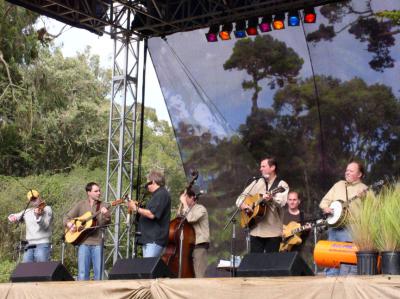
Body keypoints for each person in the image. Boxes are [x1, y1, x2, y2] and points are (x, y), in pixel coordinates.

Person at [319, 160, 367, 276]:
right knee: (331, 259)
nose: (347, 172)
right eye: (346, 170)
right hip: (334, 228)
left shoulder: (365, 189)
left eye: (351, 170)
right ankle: (330, 284)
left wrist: (365, 199)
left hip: (351, 229)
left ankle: (348, 286)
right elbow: (324, 202)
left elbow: (374, 209)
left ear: (359, 174)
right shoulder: (338, 185)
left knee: (348, 263)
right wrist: (326, 208)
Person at [236, 157, 289, 253]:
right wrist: (243, 205)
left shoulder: (281, 184)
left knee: (271, 264)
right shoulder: (257, 182)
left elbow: (282, 202)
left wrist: (271, 198)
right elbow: (240, 198)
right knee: (255, 264)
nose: (260, 169)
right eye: (261, 166)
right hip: (255, 231)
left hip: (273, 232)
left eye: (263, 166)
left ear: (272, 167)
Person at [64, 182, 111, 280]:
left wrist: (106, 215)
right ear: (88, 193)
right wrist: (69, 224)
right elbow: (67, 217)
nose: (99, 193)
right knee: (82, 273)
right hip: (83, 243)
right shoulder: (81, 204)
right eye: (96, 191)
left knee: (99, 274)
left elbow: (106, 223)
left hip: (98, 243)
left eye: (99, 191)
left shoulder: (104, 205)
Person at [128, 170, 171, 258]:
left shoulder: (162, 194)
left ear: (153, 181)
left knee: (148, 269)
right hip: (149, 239)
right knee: (147, 269)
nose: (146, 185)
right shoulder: (157, 195)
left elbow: (152, 214)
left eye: (148, 182)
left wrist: (136, 208)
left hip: (154, 240)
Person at [8, 190, 53, 262]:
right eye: (31, 200)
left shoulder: (47, 209)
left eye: (35, 198)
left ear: (39, 197)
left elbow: (45, 226)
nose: (34, 201)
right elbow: (15, 216)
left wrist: (38, 217)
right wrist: (12, 217)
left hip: (43, 244)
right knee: (26, 269)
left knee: (42, 269)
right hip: (29, 245)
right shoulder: (27, 211)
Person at [178, 187, 210, 278]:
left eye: (185, 198)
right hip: (188, 246)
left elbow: (191, 218)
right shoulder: (185, 210)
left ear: (192, 197)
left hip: (199, 245)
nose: (182, 201)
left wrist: (184, 204)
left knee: (199, 275)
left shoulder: (200, 208)